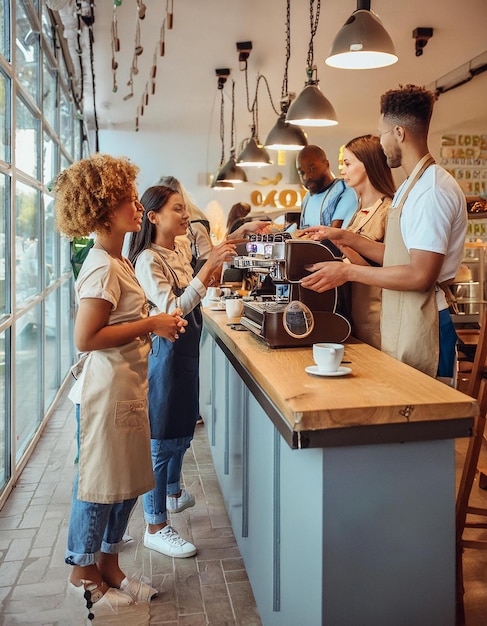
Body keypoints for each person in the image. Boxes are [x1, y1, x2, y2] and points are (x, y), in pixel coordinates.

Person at [53, 154, 187, 618]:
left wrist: (152, 325)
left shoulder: (117, 261)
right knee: (98, 486)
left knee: (126, 484)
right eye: (127, 198)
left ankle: (109, 566)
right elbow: (85, 338)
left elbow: (124, 322)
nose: (137, 203)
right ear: (105, 210)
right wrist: (152, 321)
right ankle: (83, 574)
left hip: (127, 388)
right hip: (105, 392)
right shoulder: (103, 267)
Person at [301, 84, 467, 382]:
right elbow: (395, 257)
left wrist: (347, 272)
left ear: (399, 133)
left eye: (383, 134)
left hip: (428, 323)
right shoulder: (410, 187)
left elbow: (420, 275)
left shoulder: (431, 191)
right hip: (406, 319)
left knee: (428, 423)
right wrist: (346, 238)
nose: (381, 142)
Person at [128, 185, 237, 558]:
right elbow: (172, 306)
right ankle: (155, 524)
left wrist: (208, 276)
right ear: (153, 216)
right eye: (178, 209)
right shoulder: (147, 260)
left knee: (181, 428)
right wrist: (204, 273)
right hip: (165, 354)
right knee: (161, 438)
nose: (186, 215)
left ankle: (172, 493)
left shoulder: (177, 249)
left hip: (186, 349)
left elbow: (193, 292)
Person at [302, 134, 396, 349]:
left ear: (367, 165)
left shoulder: (388, 210)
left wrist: (342, 240)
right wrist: (335, 242)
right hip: (356, 317)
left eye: (347, 163)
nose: (342, 170)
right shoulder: (359, 213)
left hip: (378, 320)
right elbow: (359, 262)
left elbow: (391, 265)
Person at [157, 176, 213, 272]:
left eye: (179, 209)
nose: (185, 216)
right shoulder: (150, 257)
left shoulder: (193, 227)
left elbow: (207, 261)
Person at [296, 144, 358, 229]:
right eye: (301, 173)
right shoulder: (307, 199)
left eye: (312, 169)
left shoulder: (344, 191)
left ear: (326, 164)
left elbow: (335, 235)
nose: (307, 177)